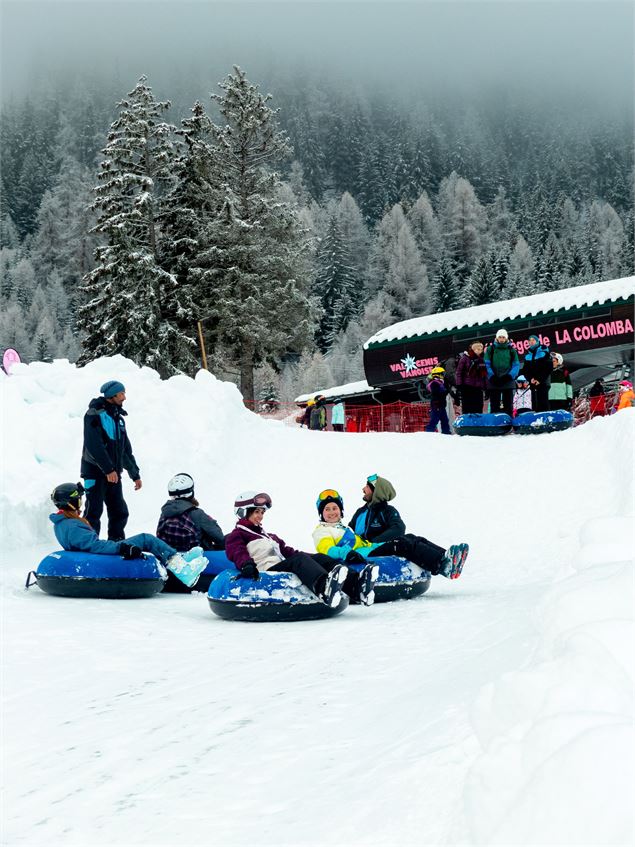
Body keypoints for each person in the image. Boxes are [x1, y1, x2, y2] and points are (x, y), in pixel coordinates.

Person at [49, 482, 207, 587]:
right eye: (78, 500)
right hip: (103, 554)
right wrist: (122, 548)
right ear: (69, 503)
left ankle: (178, 558)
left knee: (145, 538)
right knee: (146, 538)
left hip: (98, 552)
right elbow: (95, 546)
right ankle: (182, 570)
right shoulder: (72, 525)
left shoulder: (64, 523)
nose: (81, 503)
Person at [224, 491, 348, 608]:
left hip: (281, 565)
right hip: (266, 571)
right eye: (257, 512)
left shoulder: (269, 536)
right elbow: (237, 552)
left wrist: (314, 557)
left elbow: (288, 552)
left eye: (262, 513)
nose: (260, 516)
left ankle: (355, 586)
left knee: (319, 557)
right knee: (299, 560)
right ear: (243, 512)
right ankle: (324, 589)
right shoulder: (237, 534)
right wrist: (247, 565)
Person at [346, 475, 469, 579]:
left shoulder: (387, 511)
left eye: (367, 487)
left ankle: (446, 558)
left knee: (413, 538)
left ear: (376, 491)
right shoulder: (360, 513)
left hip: (375, 546)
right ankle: (442, 565)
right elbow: (348, 533)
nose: (363, 489)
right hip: (367, 550)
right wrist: (370, 543)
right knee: (403, 543)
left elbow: (398, 528)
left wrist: (375, 541)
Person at [81, 380, 141, 541]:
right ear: (111, 396)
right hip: (95, 472)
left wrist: (134, 474)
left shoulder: (118, 418)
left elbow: (125, 450)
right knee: (93, 511)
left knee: (119, 511)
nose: (124, 397)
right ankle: (88, 546)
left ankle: (116, 543)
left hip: (113, 474)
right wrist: (108, 470)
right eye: (121, 394)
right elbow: (94, 445)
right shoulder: (94, 414)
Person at [157, 473, 225, 551]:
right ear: (191, 492)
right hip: (196, 559)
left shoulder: (165, 513)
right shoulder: (197, 514)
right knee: (229, 539)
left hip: (170, 557)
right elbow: (219, 537)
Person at [484, 328, 520, 417]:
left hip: (508, 379)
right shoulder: (490, 349)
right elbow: (486, 364)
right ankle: (494, 423)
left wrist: (510, 375)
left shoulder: (511, 350)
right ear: (497, 338)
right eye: (500, 337)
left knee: (508, 404)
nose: (501, 339)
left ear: (506, 338)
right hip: (494, 380)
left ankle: (508, 422)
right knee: (494, 404)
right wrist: (491, 376)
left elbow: (516, 364)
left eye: (503, 337)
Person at [455, 341, 487, 414]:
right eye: (477, 349)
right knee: (467, 407)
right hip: (467, 386)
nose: (479, 351)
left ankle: (478, 422)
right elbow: (459, 372)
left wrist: (485, 387)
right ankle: (468, 423)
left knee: (478, 406)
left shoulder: (481, 360)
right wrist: (459, 385)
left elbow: (484, 375)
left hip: (478, 387)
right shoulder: (465, 358)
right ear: (473, 349)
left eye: (480, 349)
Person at [522, 334, 552, 412]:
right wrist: (530, 379)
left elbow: (548, 368)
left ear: (537, 341)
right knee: (535, 404)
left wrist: (539, 379)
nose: (531, 342)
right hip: (533, 383)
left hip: (543, 382)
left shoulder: (544, 352)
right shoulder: (528, 355)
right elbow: (525, 370)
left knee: (543, 403)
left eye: (533, 340)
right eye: (530, 340)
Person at [425, 366, 451, 434]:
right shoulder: (434, 383)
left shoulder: (440, 382)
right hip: (437, 405)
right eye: (442, 374)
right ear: (437, 374)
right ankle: (429, 432)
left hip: (441, 405)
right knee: (434, 419)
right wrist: (445, 391)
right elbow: (436, 393)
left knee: (445, 420)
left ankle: (446, 432)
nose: (443, 375)